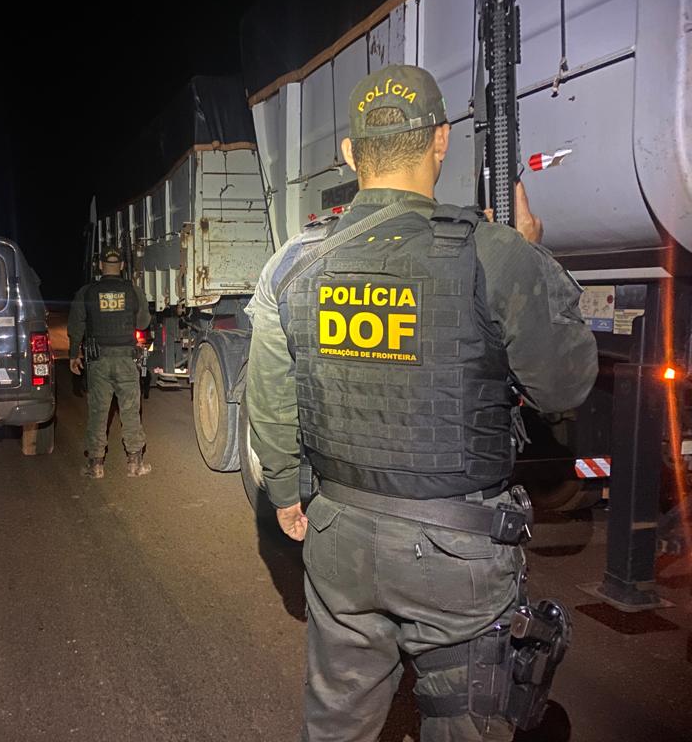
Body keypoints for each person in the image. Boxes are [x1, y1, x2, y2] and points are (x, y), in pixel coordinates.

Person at [244, 64, 598, 741]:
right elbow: (566, 385)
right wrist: (530, 255)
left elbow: (269, 397)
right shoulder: (494, 254)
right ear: (440, 141)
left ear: (349, 153)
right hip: (457, 554)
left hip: (338, 534)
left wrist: (289, 492)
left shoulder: (292, 263)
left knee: (336, 725)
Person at [68, 247, 152, 478]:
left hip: (98, 361)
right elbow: (143, 323)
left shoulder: (87, 291)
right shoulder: (133, 290)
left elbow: (76, 325)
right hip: (126, 358)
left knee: (98, 412)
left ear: (101, 266)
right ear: (122, 266)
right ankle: (135, 464)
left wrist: (74, 353)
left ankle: (95, 465)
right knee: (130, 411)